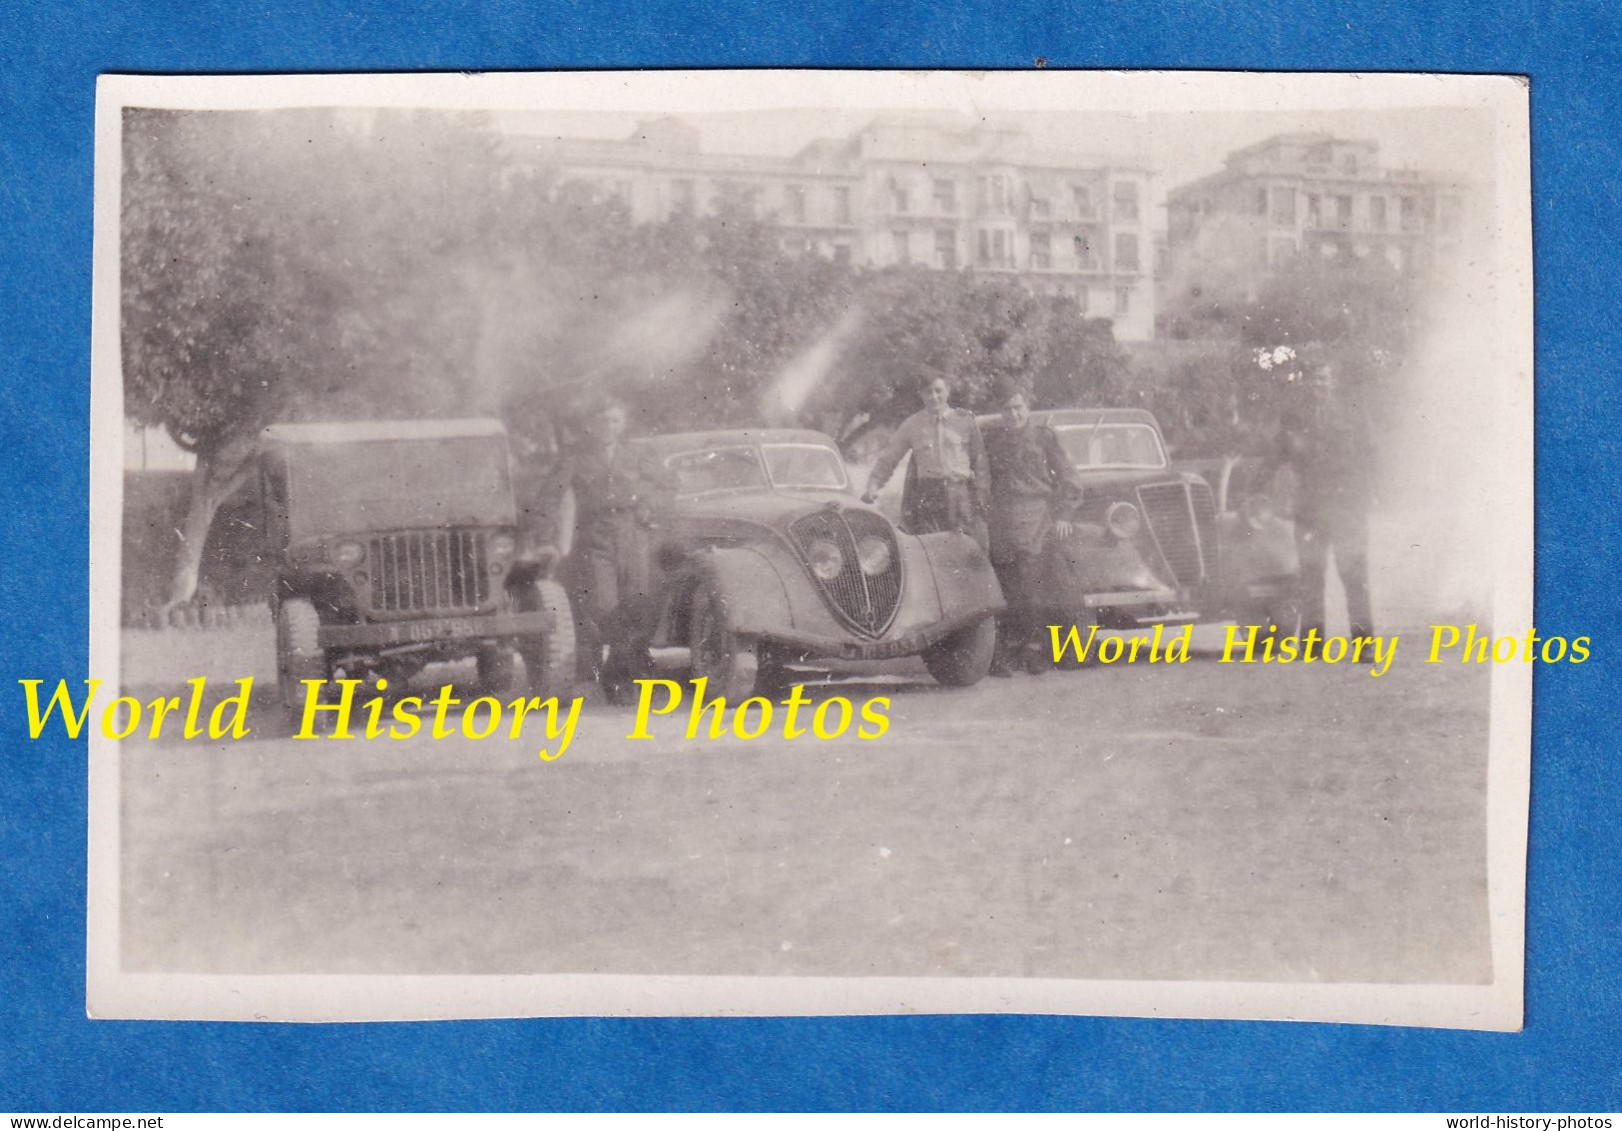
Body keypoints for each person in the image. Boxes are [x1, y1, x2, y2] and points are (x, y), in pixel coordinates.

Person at [556, 397, 671, 691]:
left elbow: (667, 485)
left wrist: (648, 507)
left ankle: (619, 674)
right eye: (603, 421)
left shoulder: (638, 453)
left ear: (624, 424)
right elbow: (554, 494)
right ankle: (618, 670)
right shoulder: (575, 456)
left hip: (632, 532)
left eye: (615, 421)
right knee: (604, 606)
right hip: (594, 536)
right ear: (591, 425)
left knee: (635, 603)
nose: (608, 427)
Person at [1268, 363, 1377, 648]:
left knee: (1354, 575)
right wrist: (1251, 488)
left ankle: (1364, 643)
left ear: (1333, 381)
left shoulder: (1354, 412)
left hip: (1346, 508)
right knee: (1311, 576)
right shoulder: (1294, 418)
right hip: (1310, 509)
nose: (1319, 384)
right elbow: (1275, 455)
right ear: (1306, 383)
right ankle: (1314, 645)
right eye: (1314, 379)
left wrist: (1366, 496)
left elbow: (1370, 455)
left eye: (1324, 378)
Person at [982, 386, 1083, 676]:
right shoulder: (993, 441)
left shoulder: (1044, 437)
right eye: (1007, 409)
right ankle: (1008, 651)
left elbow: (1069, 478)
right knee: (1005, 586)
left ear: (1027, 408)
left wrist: (1063, 515)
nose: (1013, 415)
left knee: (1034, 586)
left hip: (1036, 517)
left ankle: (1036, 650)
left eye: (1018, 408)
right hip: (1001, 520)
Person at [862, 375, 989, 549]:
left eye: (938, 391)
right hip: (929, 496)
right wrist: (874, 485)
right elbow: (889, 457)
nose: (934, 396)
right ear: (921, 394)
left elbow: (981, 463)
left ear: (948, 391)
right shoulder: (912, 425)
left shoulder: (965, 421)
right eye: (928, 392)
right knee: (932, 549)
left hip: (961, 495)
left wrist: (982, 495)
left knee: (965, 549)